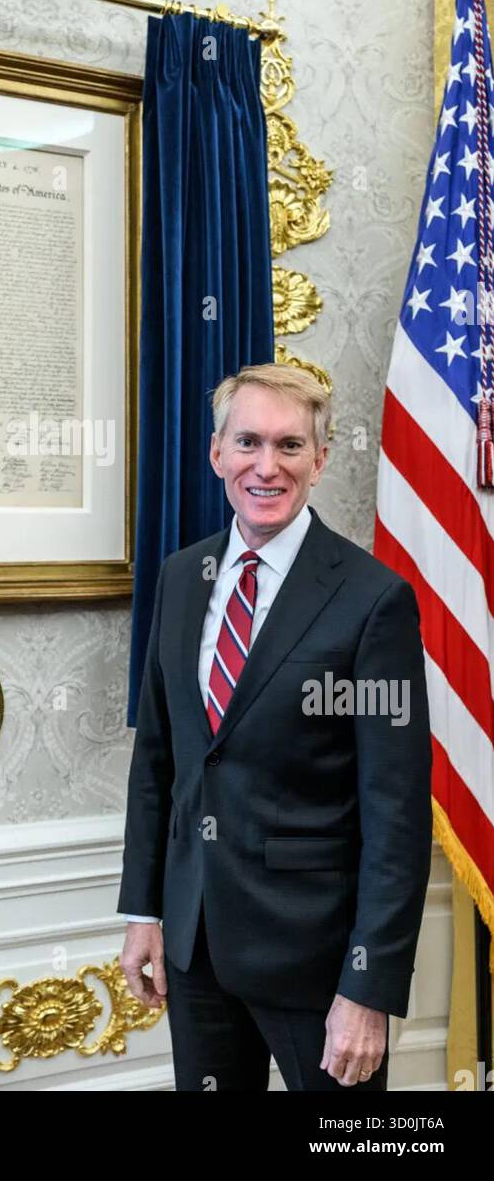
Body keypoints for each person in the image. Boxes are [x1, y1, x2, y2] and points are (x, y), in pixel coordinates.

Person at [117, 363, 432, 1091]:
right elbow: (159, 763)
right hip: (195, 947)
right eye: (249, 442)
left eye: (290, 446)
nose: (267, 465)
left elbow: (396, 814)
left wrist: (369, 989)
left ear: (320, 461)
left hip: (318, 964)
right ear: (216, 454)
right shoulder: (180, 576)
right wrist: (143, 911)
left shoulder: (375, 601)